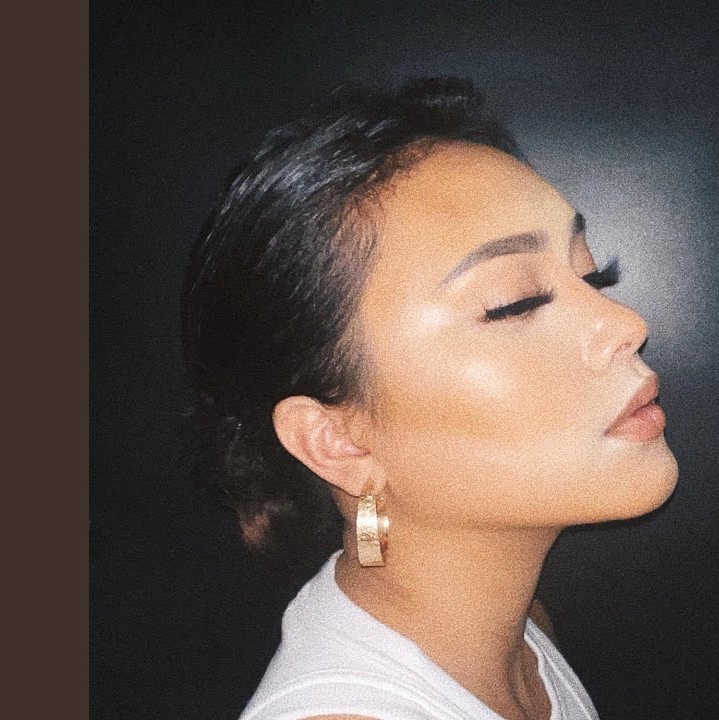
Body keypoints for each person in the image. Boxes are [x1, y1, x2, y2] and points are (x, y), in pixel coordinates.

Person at [181, 77, 679, 720]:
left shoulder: (519, 635)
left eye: (592, 274)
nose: (627, 323)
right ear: (339, 442)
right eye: (513, 303)